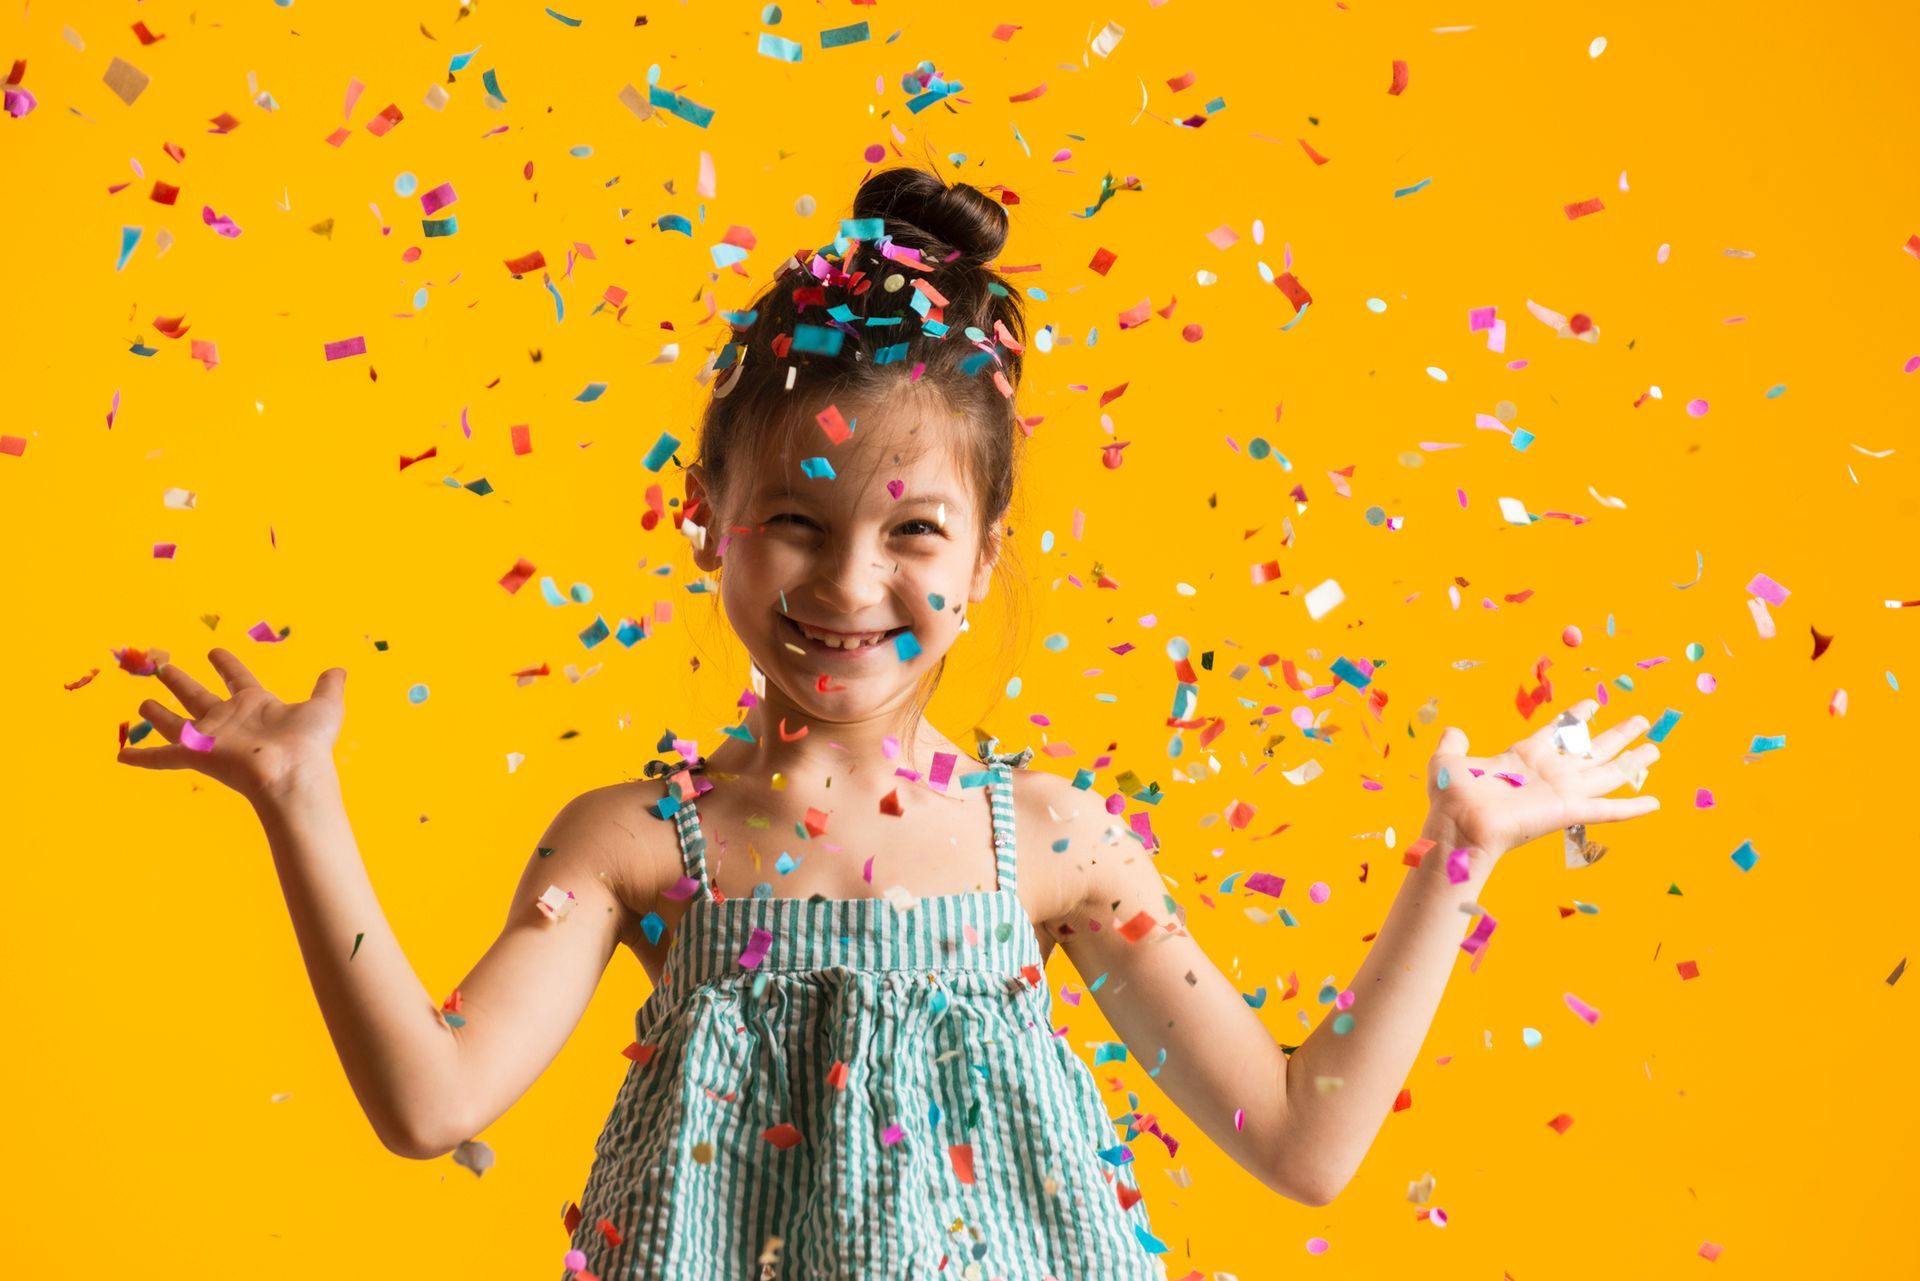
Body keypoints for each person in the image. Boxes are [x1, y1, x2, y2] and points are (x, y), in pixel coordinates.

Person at [116, 164, 1663, 1281]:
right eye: (796, 517)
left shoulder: (1052, 842)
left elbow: (1300, 1142)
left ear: (984, 560)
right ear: (707, 520)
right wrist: (298, 802)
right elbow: (433, 1101)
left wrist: (1456, 858)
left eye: (912, 531)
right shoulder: (641, 841)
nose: (850, 580)